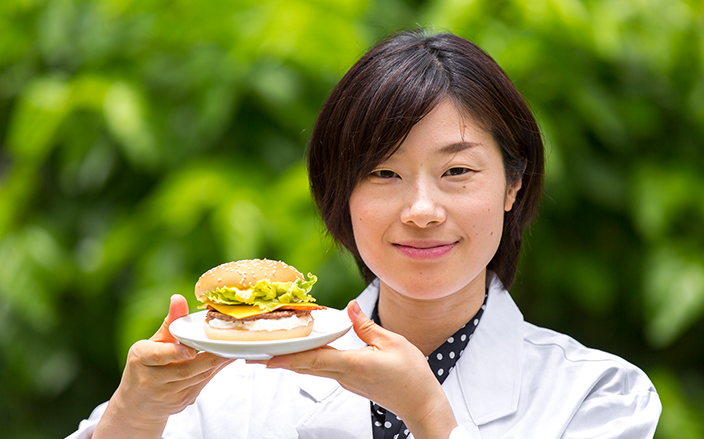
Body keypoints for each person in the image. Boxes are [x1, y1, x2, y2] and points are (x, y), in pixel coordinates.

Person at [66, 29, 661, 439]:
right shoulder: (236, 383)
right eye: (383, 173)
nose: (422, 209)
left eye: (457, 171)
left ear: (512, 185)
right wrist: (133, 414)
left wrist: (428, 413)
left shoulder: (599, 395)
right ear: (339, 194)